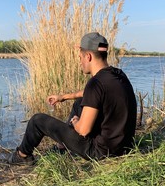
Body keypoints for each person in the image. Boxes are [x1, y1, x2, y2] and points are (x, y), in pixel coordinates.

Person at [8, 32, 137, 165]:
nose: (80, 61)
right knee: (79, 102)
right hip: (124, 147)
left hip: (101, 152)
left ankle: (21, 156)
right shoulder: (118, 74)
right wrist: (63, 97)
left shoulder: (96, 83)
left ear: (88, 56)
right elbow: (91, 93)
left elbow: (83, 130)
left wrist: (75, 122)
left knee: (37, 120)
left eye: (80, 57)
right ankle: (62, 147)